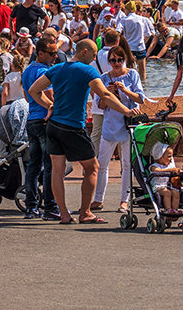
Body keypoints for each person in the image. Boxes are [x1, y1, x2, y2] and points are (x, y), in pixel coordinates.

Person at [28, 39, 142, 224]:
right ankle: (86, 212)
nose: (96, 58)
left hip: (54, 126)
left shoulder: (56, 69)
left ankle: (64, 215)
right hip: (72, 127)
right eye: (94, 53)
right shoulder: (87, 70)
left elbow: (33, 90)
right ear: (85, 51)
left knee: (57, 171)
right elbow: (104, 94)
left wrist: (50, 105)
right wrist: (126, 110)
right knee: (92, 167)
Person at [92, 44, 146, 214]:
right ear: (109, 61)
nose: (117, 63)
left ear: (125, 60)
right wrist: (107, 93)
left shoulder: (132, 75)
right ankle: (98, 199)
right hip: (110, 125)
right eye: (113, 60)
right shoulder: (104, 78)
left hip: (128, 124)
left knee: (127, 164)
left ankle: (125, 200)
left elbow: (141, 99)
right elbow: (100, 105)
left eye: (120, 60)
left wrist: (125, 90)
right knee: (102, 164)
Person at [23, 36, 60, 219]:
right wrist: (51, 106)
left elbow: (27, 95)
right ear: (40, 53)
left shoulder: (27, 70)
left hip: (31, 120)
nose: (55, 56)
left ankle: (31, 207)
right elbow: (49, 95)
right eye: (52, 53)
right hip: (45, 119)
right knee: (50, 165)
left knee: (33, 166)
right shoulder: (45, 73)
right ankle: (50, 207)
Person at [148, 144, 183, 213]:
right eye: (169, 157)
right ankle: (168, 210)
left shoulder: (168, 166)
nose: (171, 159)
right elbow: (157, 171)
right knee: (167, 193)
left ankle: (175, 210)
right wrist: (169, 170)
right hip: (157, 187)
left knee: (176, 192)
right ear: (160, 157)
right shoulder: (154, 166)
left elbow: (177, 170)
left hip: (167, 186)